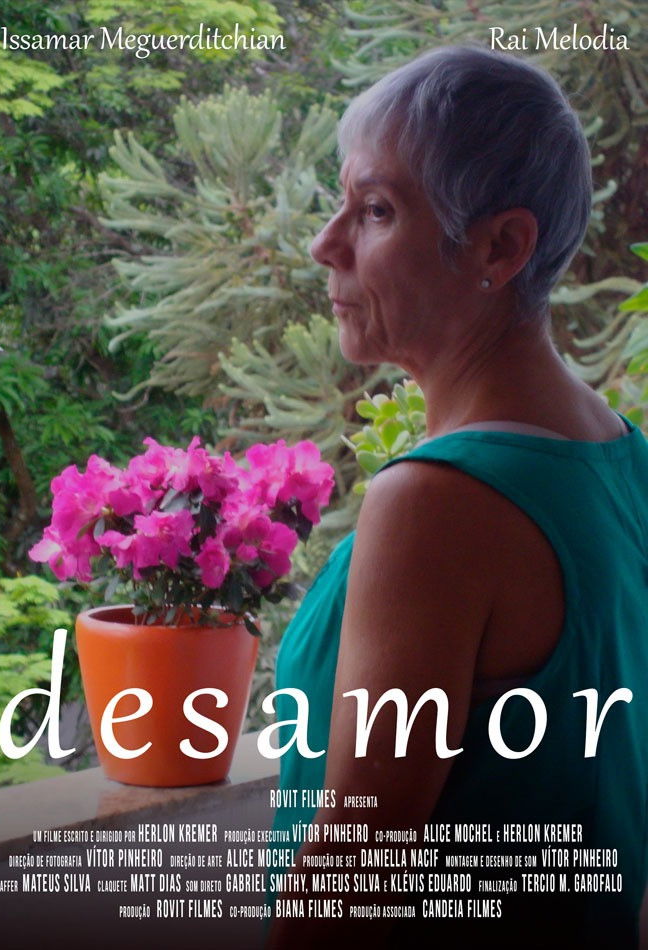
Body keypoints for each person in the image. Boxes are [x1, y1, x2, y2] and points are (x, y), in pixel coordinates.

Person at [266, 45, 648, 948]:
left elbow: (352, 884)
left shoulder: (438, 503)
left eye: (376, 210)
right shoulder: (622, 456)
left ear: (500, 246)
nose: (326, 244)